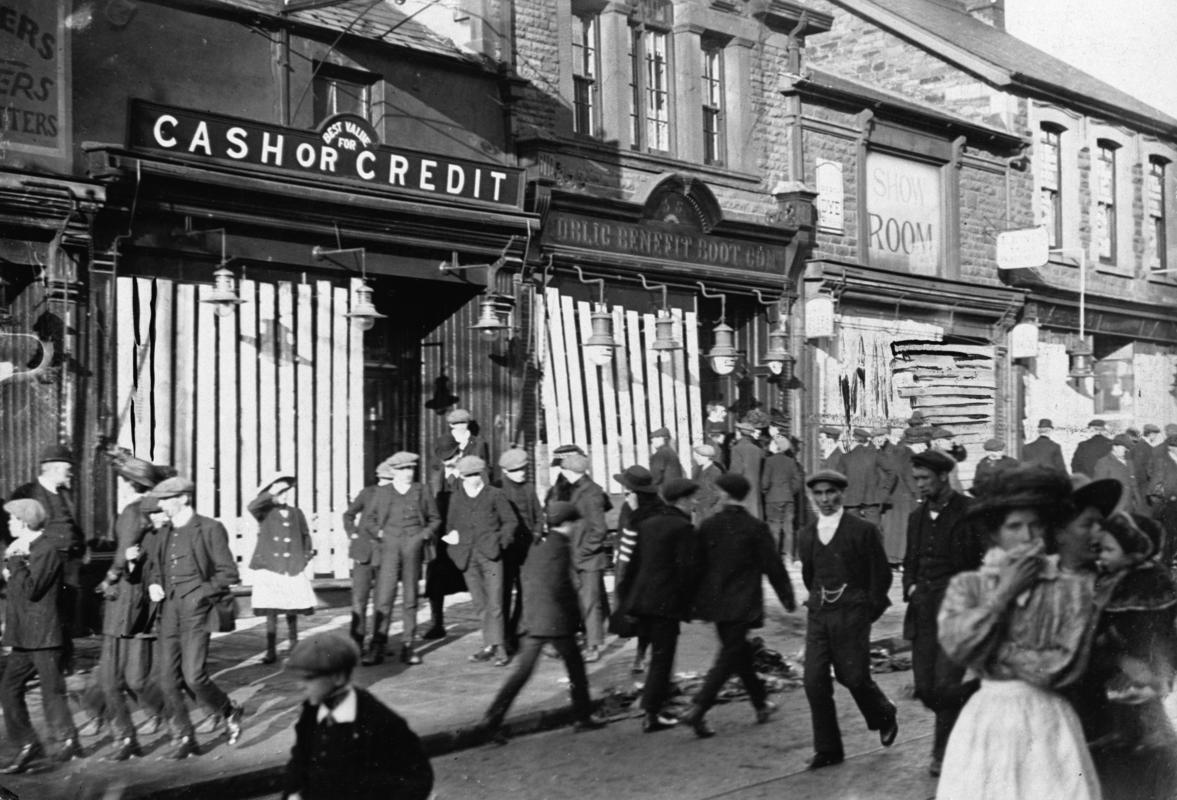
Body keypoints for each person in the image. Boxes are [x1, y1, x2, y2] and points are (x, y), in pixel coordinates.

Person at [936, 466, 1112, 800]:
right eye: (1014, 526)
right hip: (988, 718)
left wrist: (993, 652)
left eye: (1035, 525)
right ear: (996, 534)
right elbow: (958, 648)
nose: (1027, 536)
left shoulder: (1071, 590)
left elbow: (1062, 665)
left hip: (1045, 716)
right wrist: (1002, 595)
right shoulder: (968, 586)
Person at [472, 503, 607, 743]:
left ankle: (491, 720)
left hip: (532, 619)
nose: (576, 527)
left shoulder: (539, 546)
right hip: (554, 621)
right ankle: (582, 717)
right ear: (568, 524)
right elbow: (561, 587)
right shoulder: (560, 547)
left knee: (522, 673)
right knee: (576, 668)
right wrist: (576, 619)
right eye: (574, 523)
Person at [679, 474, 797, 738]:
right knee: (732, 654)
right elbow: (773, 566)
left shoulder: (709, 525)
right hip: (744, 602)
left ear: (723, 494)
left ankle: (760, 703)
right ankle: (699, 706)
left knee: (737, 652)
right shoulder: (755, 527)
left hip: (716, 602)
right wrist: (787, 598)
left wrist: (691, 601)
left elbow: (693, 566)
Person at [798, 469, 897, 769]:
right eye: (819, 493)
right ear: (812, 497)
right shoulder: (807, 533)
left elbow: (881, 575)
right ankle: (828, 750)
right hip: (819, 614)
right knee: (813, 681)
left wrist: (867, 611)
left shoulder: (862, 530)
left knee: (852, 676)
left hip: (852, 613)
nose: (825, 499)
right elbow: (808, 575)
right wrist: (818, 600)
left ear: (842, 493)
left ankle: (883, 713)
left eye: (831, 492)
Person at [145, 476, 245, 759]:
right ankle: (184, 737)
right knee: (166, 678)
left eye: (166, 499)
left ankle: (229, 710)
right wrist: (154, 582)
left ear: (184, 498)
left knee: (194, 676)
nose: (161, 505)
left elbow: (229, 574)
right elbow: (156, 567)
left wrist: (201, 593)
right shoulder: (164, 532)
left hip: (197, 613)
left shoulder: (210, 528)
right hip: (169, 613)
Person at [1085, 512, 1177, 800]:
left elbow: (1158, 636)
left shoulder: (1145, 586)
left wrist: (1145, 668)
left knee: (1142, 746)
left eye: (1110, 550)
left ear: (1134, 550)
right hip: (1120, 678)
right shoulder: (1112, 580)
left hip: (1140, 678)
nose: (1102, 556)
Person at [901, 450, 981, 776]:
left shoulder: (970, 512)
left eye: (924, 479)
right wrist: (909, 586)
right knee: (925, 686)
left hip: (957, 614)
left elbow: (982, 562)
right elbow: (910, 561)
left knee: (946, 684)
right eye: (916, 478)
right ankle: (970, 706)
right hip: (922, 613)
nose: (918, 485)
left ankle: (942, 754)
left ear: (944, 476)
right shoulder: (916, 517)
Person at [282, 632, 433, 800]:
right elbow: (300, 760)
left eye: (308, 678)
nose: (299, 685)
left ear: (338, 677)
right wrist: (292, 793)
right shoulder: (312, 712)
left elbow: (418, 778)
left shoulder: (378, 721)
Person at [89, 455, 171, 760]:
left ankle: (127, 739)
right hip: (142, 598)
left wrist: (107, 580)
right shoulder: (155, 509)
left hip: (123, 598)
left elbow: (124, 556)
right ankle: (163, 718)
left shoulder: (132, 511)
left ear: (128, 483)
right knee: (134, 674)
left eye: (122, 480)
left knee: (111, 677)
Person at [0, 499, 81, 774]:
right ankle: (27, 742)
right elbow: (16, 593)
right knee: (9, 689)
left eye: (12, 520)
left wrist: (15, 565)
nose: (9, 524)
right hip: (24, 635)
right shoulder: (22, 550)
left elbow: (34, 589)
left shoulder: (44, 549)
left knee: (52, 691)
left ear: (24, 522)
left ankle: (68, 739)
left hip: (45, 636)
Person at [616, 478, 700, 733]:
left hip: (642, 599)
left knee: (657, 656)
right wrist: (691, 604)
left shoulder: (648, 523)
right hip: (666, 602)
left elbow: (631, 564)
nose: (695, 504)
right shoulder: (683, 527)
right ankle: (651, 714)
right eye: (692, 499)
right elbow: (688, 570)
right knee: (662, 658)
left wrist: (627, 598)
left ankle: (658, 703)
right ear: (682, 500)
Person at [358, 452, 440, 666]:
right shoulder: (382, 492)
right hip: (389, 548)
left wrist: (423, 536)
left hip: (413, 547)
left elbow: (435, 519)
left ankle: (408, 645)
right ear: (393, 471)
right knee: (384, 597)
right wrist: (381, 533)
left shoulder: (421, 491)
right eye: (403, 469)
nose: (408, 473)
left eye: (411, 469)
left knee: (411, 597)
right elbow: (369, 519)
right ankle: (378, 645)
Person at [10, 444, 86, 655]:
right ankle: (37, 660)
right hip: (43, 562)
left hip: (68, 564)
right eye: (66, 467)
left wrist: (82, 548)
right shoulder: (27, 492)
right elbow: (14, 529)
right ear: (52, 468)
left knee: (65, 616)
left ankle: (60, 661)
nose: (70, 472)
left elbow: (72, 524)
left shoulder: (66, 494)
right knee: (45, 614)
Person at [443, 455, 515, 666]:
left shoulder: (495, 495)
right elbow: (450, 526)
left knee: (495, 602)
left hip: (491, 558)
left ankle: (500, 647)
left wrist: (499, 541)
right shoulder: (456, 497)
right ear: (461, 477)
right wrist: (453, 542)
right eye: (468, 475)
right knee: (480, 603)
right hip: (468, 557)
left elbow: (510, 522)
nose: (473, 479)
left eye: (477, 474)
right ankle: (489, 644)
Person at [248, 472, 316, 666]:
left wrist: (304, 557)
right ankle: (270, 650)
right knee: (272, 609)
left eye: (287, 491)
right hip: (271, 567)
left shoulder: (296, 512)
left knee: (292, 608)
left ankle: (294, 646)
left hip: (292, 566)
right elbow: (252, 506)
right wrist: (271, 493)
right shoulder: (264, 511)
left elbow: (305, 536)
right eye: (280, 491)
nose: (285, 495)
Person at [557, 452, 612, 663]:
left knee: (591, 603)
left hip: (587, 559)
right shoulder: (579, 488)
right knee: (580, 602)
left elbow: (600, 529)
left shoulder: (591, 493)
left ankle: (594, 645)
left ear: (570, 471)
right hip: (575, 555)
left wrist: (582, 551)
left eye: (563, 469)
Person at [612, 465, 664, 674]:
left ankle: (642, 656)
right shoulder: (634, 506)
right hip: (638, 564)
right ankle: (641, 656)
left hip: (642, 566)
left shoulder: (649, 508)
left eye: (629, 489)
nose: (627, 493)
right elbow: (621, 530)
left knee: (645, 615)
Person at [341, 457, 395, 650]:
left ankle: (379, 642)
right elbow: (348, 514)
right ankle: (356, 641)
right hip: (363, 552)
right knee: (359, 599)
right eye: (384, 479)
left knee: (384, 600)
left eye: (390, 480)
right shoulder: (367, 493)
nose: (386, 483)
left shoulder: (397, 496)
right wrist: (353, 534)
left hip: (386, 553)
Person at [496, 448, 540, 654]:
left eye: (523, 469)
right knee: (503, 594)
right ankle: (504, 637)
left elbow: (538, 516)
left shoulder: (529, 488)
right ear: (505, 471)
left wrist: (537, 534)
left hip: (527, 548)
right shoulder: (497, 489)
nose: (521, 473)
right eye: (516, 470)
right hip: (506, 550)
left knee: (526, 592)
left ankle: (516, 630)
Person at [422, 439, 467, 639]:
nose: (448, 463)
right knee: (436, 579)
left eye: (452, 458)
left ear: (460, 455)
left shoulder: (471, 473)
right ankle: (437, 623)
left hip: (465, 533)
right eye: (445, 460)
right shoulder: (435, 476)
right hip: (441, 536)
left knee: (474, 578)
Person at [876, 425, 916, 565]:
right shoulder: (896, 452)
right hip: (893, 494)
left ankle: (896, 559)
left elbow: (899, 472)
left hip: (898, 494)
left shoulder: (900, 452)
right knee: (892, 527)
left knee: (896, 528)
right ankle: (893, 558)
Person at [761, 432, 801, 560]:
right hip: (788, 499)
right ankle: (789, 556)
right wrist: (790, 491)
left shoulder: (769, 461)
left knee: (774, 529)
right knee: (788, 528)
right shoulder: (791, 461)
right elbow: (797, 481)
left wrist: (765, 491)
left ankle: (774, 557)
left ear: (777, 446)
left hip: (773, 499)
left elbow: (765, 482)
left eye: (773, 443)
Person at [842, 427, 890, 529]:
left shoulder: (845, 457)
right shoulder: (875, 455)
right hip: (872, 499)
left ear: (854, 440)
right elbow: (891, 471)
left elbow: (837, 479)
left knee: (851, 533)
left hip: (850, 500)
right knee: (874, 534)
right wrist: (884, 491)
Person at [1146, 433, 1177, 570]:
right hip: (1168, 502)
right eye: (1174, 447)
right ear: (1170, 448)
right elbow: (1151, 474)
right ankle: (1166, 561)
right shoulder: (1162, 460)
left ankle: (1171, 557)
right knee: (1169, 532)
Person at [1094, 434, 1146, 516]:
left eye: (1127, 448)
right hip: (1114, 509)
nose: (1126, 450)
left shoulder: (1129, 463)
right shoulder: (1103, 462)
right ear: (1115, 447)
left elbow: (1134, 485)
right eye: (1124, 447)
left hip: (1129, 508)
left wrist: (1140, 505)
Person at [729, 419, 765, 518]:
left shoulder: (736, 449)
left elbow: (736, 471)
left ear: (739, 433)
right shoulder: (758, 450)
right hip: (755, 490)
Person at [690, 444, 725, 523]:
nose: (696, 458)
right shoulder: (697, 469)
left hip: (708, 510)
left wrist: (703, 502)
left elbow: (716, 493)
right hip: (698, 509)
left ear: (706, 457)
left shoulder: (715, 471)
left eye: (698, 456)